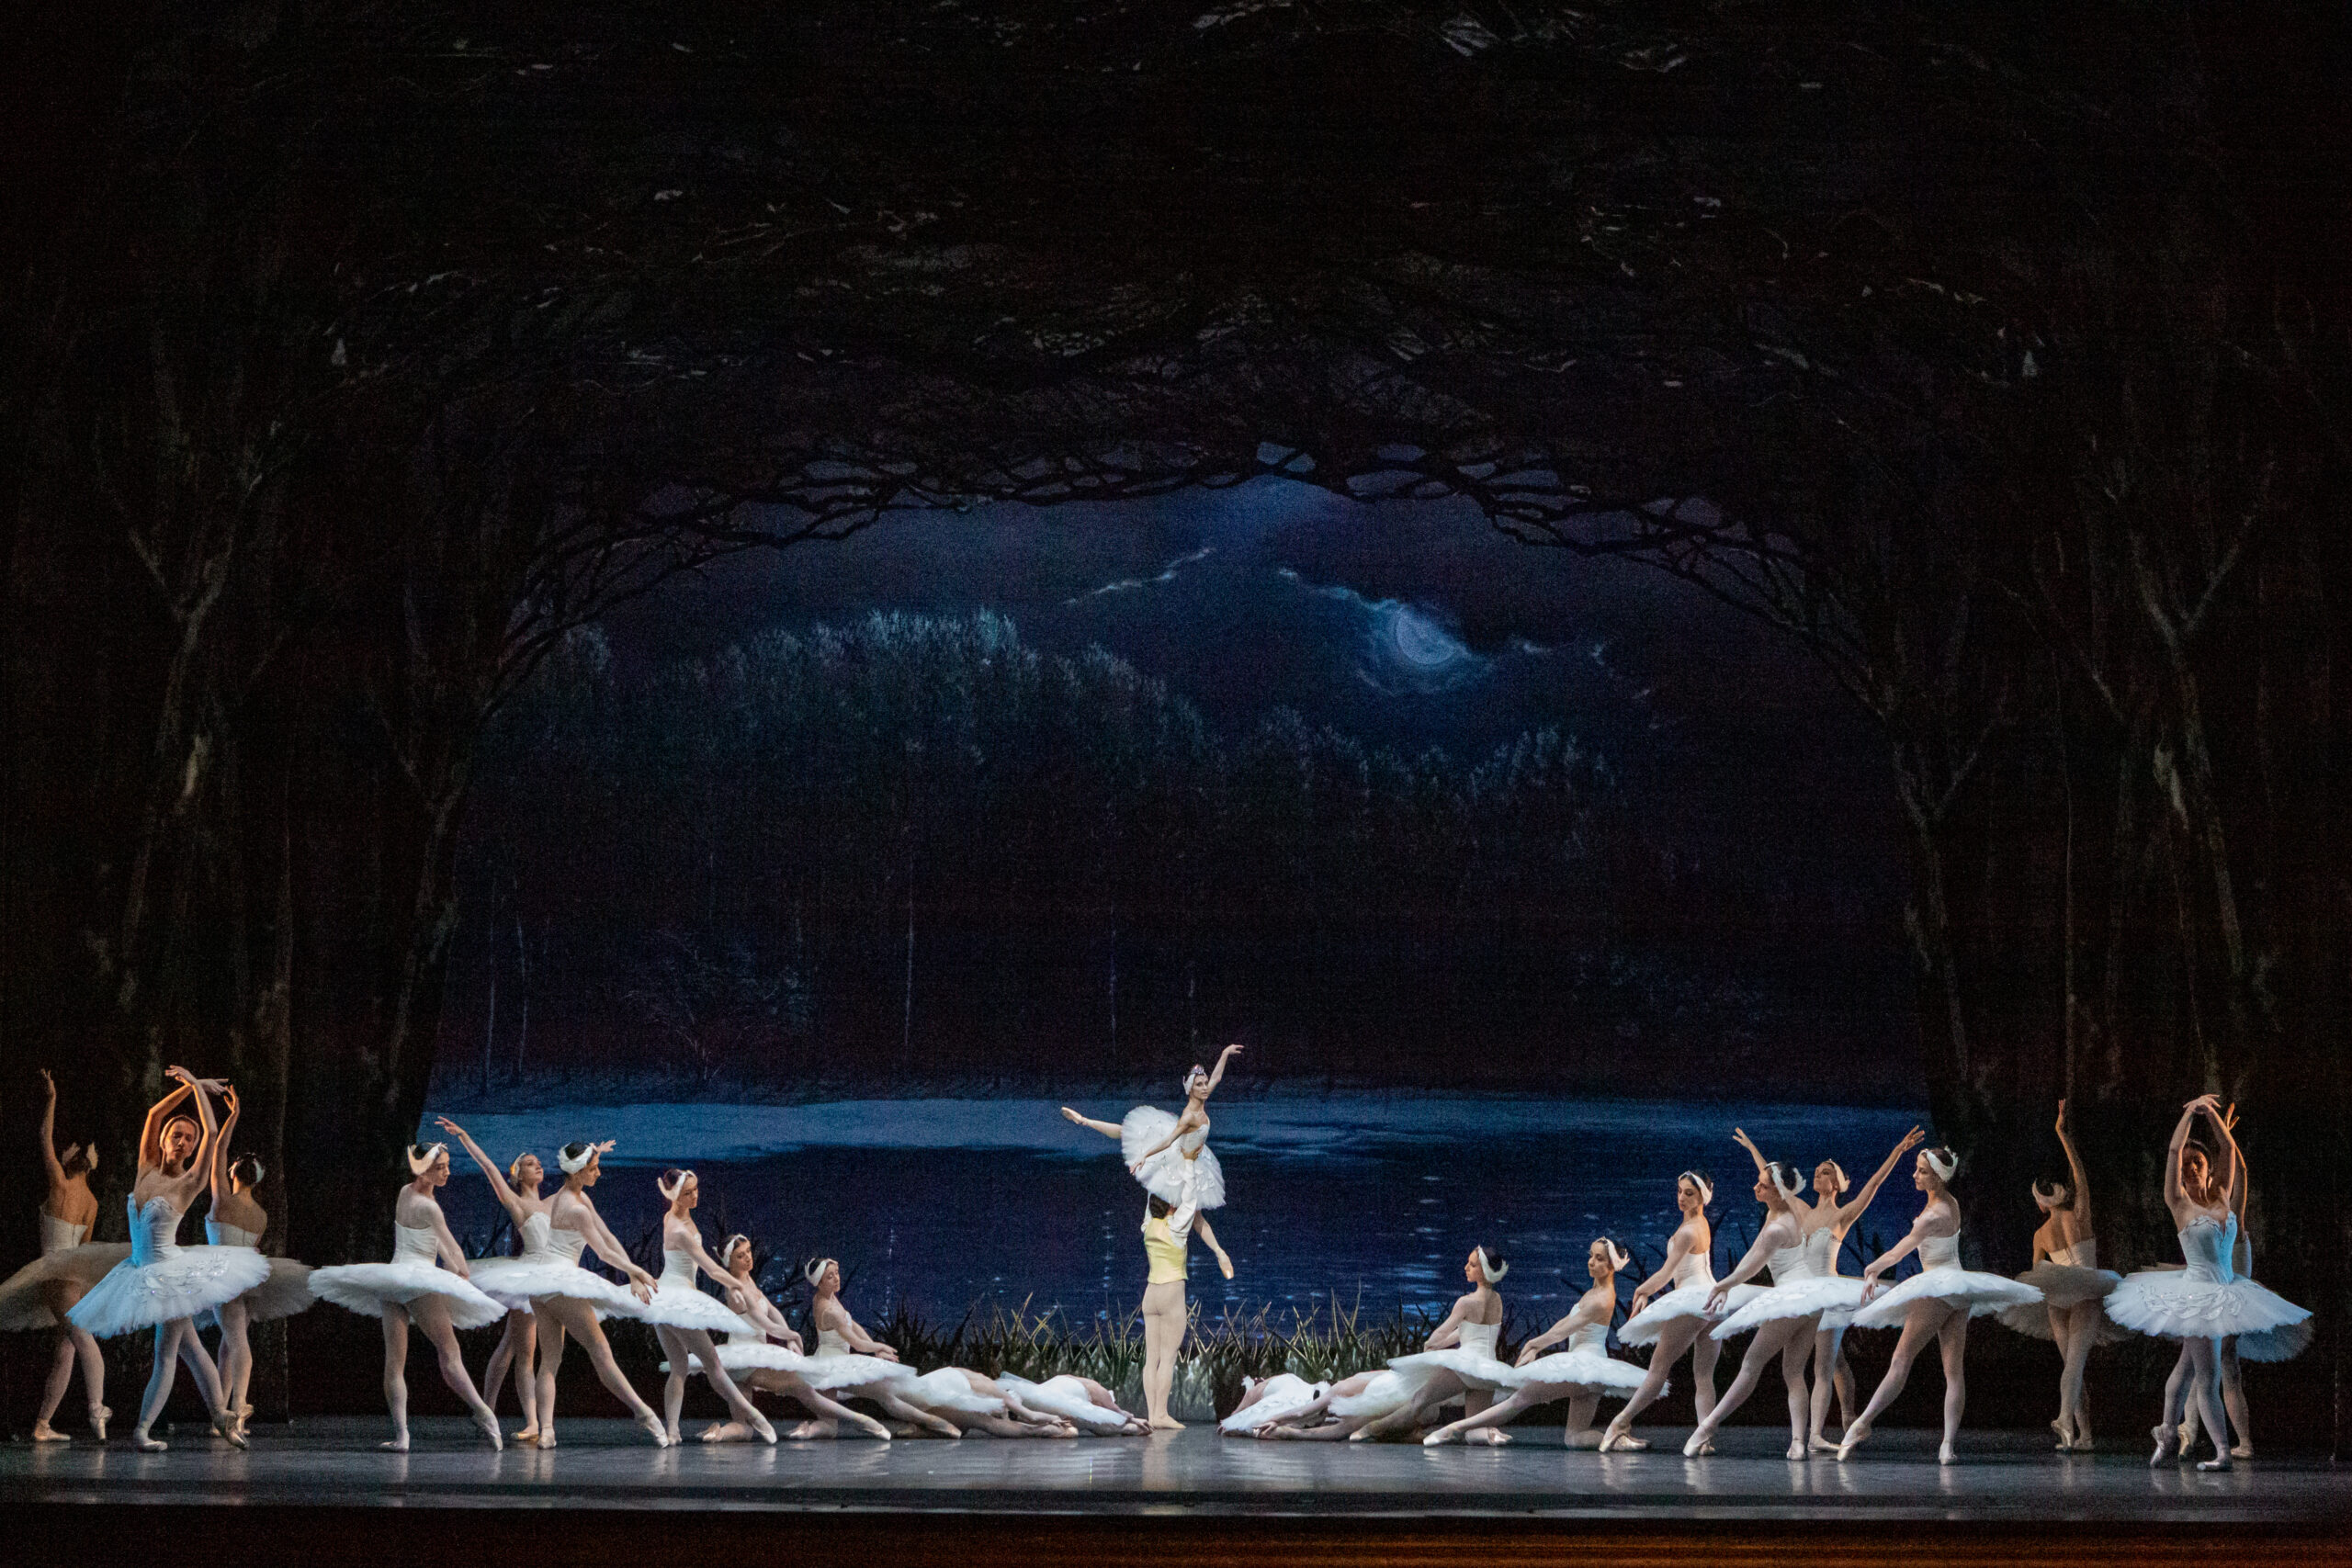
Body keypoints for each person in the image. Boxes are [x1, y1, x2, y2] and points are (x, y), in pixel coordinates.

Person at [2109, 1096, 2309, 1471]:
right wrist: (2189, 1112)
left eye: (2197, 1162)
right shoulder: (2178, 1203)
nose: (2190, 1167)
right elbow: (2173, 1151)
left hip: (2226, 1290)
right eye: (2186, 1165)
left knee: (2186, 1369)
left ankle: (2167, 1431)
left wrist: (2211, 1114)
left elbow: (2229, 1150)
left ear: (2208, 1168)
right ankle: (2221, 1452)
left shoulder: (2220, 1196)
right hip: (2198, 1296)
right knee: (2207, 1377)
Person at [66, 1067, 260, 1450]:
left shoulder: (189, 1182)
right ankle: (220, 1416)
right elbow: (155, 1114)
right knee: (190, 1348)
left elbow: (211, 1133)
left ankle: (143, 1430)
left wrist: (197, 1087)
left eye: (189, 1139)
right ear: (164, 1140)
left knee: (167, 1353)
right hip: (141, 1271)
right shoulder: (147, 1168)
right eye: (177, 1135)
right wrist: (190, 1085)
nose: (183, 1142)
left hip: (170, 1275)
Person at [1838, 1145, 2042, 1464]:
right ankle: (1947, 1445)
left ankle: (1861, 1423)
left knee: (1900, 1360)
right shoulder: (1951, 1203)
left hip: (1939, 1287)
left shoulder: (1934, 1215)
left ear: (1938, 1177)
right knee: (1953, 1370)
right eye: (1917, 1169)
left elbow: (1901, 1250)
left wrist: (1873, 1267)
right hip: (1958, 1288)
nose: (1915, 1175)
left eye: (1922, 1171)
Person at [307, 1142, 506, 1450]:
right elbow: (451, 1246)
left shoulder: (405, 1192)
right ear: (423, 1170)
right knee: (450, 1354)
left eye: (447, 1166)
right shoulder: (430, 1207)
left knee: (395, 1362)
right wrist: (463, 1273)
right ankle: (484, 1413)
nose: (447, 1172)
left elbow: (430, 1241)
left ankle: (402, 1435)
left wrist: (456, 1271)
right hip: (416, 1282)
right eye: (440, 1168)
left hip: (392, 1280)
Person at [1422, 1236, 1646, 1448]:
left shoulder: (1601, 1299)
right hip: (1589, 1370)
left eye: (1599, 1259)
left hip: (1586, 1366)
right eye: (1591, 1256)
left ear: (1612, 1265)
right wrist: (1536, 1343)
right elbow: (1563, 1323)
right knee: (1574, 1437)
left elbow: (1566, 1329)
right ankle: (1618, 1440)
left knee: (1520, 1399)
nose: (1591, 1262)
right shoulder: (1593, 1292)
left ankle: (1454, 1428)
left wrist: (1535, 1345)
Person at [0, 1069, 125, 1441]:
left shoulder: (71, 1190)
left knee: (68, 1349)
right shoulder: (81, 1196)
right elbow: (84, 1251)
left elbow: (45, 1137)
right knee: (81, 1342)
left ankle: (44, 1424)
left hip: (62, 1277)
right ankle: (96, 1409)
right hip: (64, 1279)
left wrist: (52, 1097)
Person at [1781, 1126, 1924, 1450]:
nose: (1818, 1174)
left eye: (1825, 1172)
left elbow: (1874, 1184)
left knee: (1823, 1366)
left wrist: (1898, 1151)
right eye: (1817, 1171)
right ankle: (1847, 1414)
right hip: (1805, 1295)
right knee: (1838, 1363)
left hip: (1830, 1296)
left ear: (1836, 1184)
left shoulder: (1843, 1215)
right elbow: (1776, 1183)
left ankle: (1814, 1436)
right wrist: (1752, 1150)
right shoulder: (1804, 1212)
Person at [1681, 1136, 1821, 1460]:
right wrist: (1754, 1152)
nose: (1756, 1188)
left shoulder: (1776, 1228)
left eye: (1763, 1186)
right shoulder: (1794, 1208)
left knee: (1750, 1364)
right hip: (1812, 1299)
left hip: (1792, 1297)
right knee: (1793, 1372)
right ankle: (1798, 1443)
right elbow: (1774, 1176)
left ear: (1778, 1191)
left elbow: (1752, 1263)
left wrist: (1725, 1284)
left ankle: (1705, 1428)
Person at [523, 1139, 670, 1447]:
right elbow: (603, 1251)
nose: (598, 1173)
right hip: (560, 1282)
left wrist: (632, 1273)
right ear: (577, 1172)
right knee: (600, 1351)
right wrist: (639, 1272)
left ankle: (547, 1430)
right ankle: (643, 1412)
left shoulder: (568, 1196)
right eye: (593, 1169)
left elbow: (608, 1236)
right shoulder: (577, 1208)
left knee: (550, 1359)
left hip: (540, 1285)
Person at [1992, 1100, 2120, 1451]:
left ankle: (2073, 1426)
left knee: (2071, 1366)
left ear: (2041, 1201)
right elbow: (2080, 1174)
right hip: (2081, 1293)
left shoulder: (2042, 1234)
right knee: (2074, 1365)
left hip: (2063, 1299)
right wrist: (2062, 1135)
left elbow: (2037, 1274)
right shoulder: (2080, 1216)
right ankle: (2081, 1434)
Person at [687, 1235, 894, 1441]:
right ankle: (866, 1421)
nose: (748, 1257)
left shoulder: (747, 1281)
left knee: (745, 1427)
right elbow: (766, 1324)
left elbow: (772, 1311)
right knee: (805, 1390)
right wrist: (793, 1335)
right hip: (748, 1358)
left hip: (740, 1361)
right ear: (729, 1262)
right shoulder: (737, 1289)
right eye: (741, 1256)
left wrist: (788, 1339)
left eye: (748, 1251)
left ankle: (718, 1434)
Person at [1600, 1171, 1749, 1454]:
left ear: (1703, 1196)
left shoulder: (1690, 1231)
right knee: (1703, 1375)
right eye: (1679, 1191)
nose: (1681, 1197)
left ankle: (1618, 1424)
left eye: (1689, 1193)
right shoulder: (1699, 1224)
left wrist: (1642, 1290)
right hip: (1712, 1302)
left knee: (1657, 1371)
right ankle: (1703, 1438)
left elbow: (1667, 1273)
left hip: (1693, 1301)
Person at [200, 1087, 315, 1441]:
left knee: (236, 1343)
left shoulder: (223, 1201)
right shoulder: (261, 1215)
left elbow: (217, 1149)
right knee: (228, 1345)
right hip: (248, 1279)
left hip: (224, 1277)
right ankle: (220, 1414)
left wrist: (233, 1116)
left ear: (234, 1172)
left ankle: (238, 1410)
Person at [636, 1169, 775, 1444]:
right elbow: (711, 1269)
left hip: (667, 1294)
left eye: (696, 1189)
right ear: (675, 1196)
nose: (695, 1195)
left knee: (679, 1366)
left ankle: (672, 1431)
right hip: (677, 1296)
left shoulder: (673, 1216)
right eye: (688, 1192)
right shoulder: (678, 1229)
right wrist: (736, 1285)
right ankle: (756, 1417)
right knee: (713, 1363)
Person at [434, 1121, 549, 1442]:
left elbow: (576, 1185)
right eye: (530, 1164)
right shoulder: (517, 1203)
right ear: (518, 1176)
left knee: (510, 1345)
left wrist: (592, 1153)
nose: (538, 1165)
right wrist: (464, 1136)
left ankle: (485, 1410)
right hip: (528, 1282)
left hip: (546, 1277)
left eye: (538, 1162)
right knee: (526, 1353)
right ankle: (532, 1423)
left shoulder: (551, 1203)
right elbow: (487, 1166)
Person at [1062, 1042, 1242, 1233]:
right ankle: (1084, 1121)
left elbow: (1217, 1077)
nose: (1205, 1087)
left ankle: (1164, 1227)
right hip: (1177, 1150)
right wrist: (1145, 1155)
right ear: (1191, 1089)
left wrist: (1225, 1053)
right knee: (1131, 1137)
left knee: (1176, 1192)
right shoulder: (1188, 1115)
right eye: (1200, 1084)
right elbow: (1168, 1141)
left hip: (1191, 1154)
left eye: (1205, 1084)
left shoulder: (1202, 1098)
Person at [1385, 1245, 1520, 1445]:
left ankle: (1375, 1429)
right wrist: (1440, 1344)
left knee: (1419, 1400)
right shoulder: (1497, 1300)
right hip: (1488, 1371)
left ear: (1484, 1270)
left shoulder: (1466, 1302)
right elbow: (1469, 1332)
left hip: (1466, 1366)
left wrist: (1430, 1344)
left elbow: (1443, 1330)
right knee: (1473, 1429)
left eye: (1472, 1265)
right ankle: (1490, 1434)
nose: (1466, 1268)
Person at [1133, 1193, 1234, 1429]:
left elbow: (1153, 1198)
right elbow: (1198, 1220)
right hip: (1171, 1295)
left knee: (1152, 1360)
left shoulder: (1148, 1225)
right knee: (1167, 1359)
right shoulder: (1177, 1228)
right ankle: (1161, 1414)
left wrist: (1152, 1179)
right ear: (1172, 1203)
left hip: (1150, 1295)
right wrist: (1220, 1252)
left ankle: (1153, 1415)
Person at [1248, 1366, 1464, 1441]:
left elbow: (1302, 1413)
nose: (1326, 1416)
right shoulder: (1353, 1382)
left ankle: (1287, 1433)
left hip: (1419, 1405)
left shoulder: (1341, 1393)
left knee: (1345, 1429)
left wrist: (1275, 1420)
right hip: (1423, 1400)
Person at [1218, 1372, 1328, 1436]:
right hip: (1303, 1392)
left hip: (1296, 1394)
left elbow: (1243, 1407)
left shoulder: (1257, 1390)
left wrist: (1231, 1420)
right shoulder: (1283, 1380)